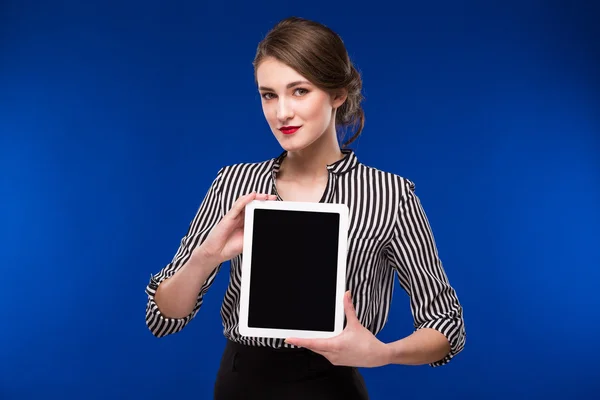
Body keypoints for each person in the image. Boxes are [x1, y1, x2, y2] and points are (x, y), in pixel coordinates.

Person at [145, 16, 466, 400]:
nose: (282, 113)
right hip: (240, 382)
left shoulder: (390, 194)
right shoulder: (233, 183)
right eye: (269, 94)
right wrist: (206, 257)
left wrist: (383, 353)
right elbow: (163, 318)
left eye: (299, 91)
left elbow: (446, 324)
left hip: (332, 386)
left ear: (338, 93)